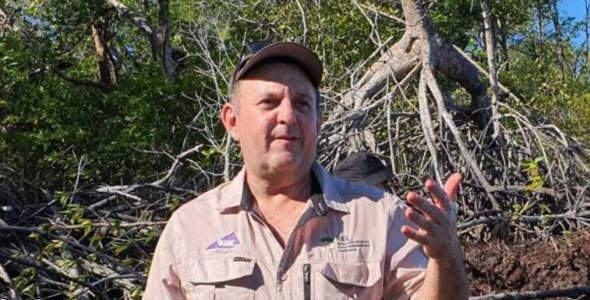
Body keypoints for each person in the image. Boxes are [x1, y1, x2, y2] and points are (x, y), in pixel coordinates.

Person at [143, 41, 468, 300]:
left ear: (318, 122)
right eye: (269, 102)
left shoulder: (382, 218)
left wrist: (445, 255)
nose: (287, 116)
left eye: (302, 104)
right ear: (232, 121)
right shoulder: (189, 228)